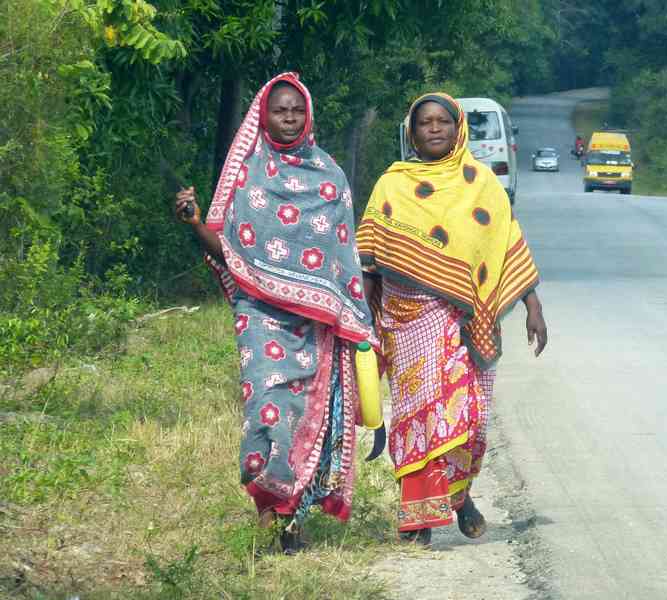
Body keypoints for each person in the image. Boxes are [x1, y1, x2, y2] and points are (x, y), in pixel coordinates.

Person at [173, 72, 375, 553]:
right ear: (263, 117)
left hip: (315, 323)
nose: (289, 118)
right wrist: (196, 223)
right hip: (260, 316)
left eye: (297, 110)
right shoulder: (247, 176)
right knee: (267, 409)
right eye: (280, 110)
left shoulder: (329, 177)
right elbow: (230, 253)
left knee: (307, 414)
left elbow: (342, 258)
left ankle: (291, 519)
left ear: (309, 116)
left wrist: (353, 319)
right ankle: (268, 503)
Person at [356, 93, 547, 546]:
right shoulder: (392, 185)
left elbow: (505, 243)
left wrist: (533, 306)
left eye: (443, 121)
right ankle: (417, 519)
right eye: (425, 122)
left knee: (469, 418)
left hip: (465, 323)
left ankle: (459, 496)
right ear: (412, 132)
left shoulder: (481, 183)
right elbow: (369, 258)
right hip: (407, 321)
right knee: (418, 418)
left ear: (458, 128)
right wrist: (362, 317)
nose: (435, 128)